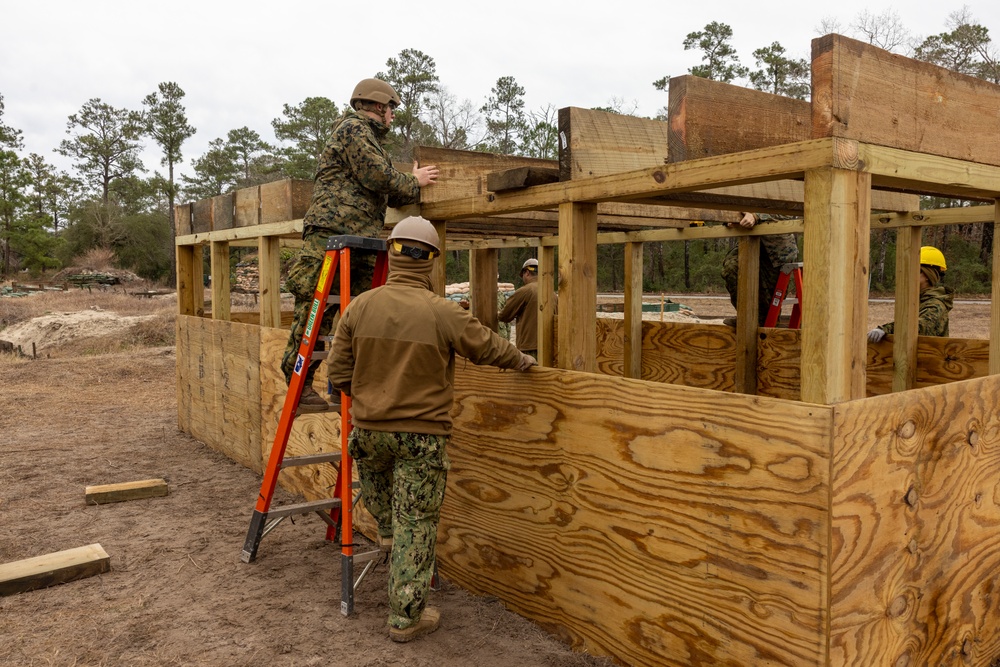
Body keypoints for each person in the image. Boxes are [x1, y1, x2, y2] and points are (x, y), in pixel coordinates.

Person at [327, 216, 536, 643]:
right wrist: (523, 362)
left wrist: (368, 397)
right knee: (416, 524)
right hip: (420, 438)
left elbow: (338, 373)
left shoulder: (359, 307)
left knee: (388, 514)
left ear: (392, 253)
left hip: (367, 432)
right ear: (431, 262)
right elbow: (488, 346)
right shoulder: (442, 312)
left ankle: (388, 538)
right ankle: (405, 618)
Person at [280, 78, 440, 412]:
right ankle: (298, 381)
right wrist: (414, 181)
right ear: (379, 106)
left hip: (361, 239)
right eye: (391, 109)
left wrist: (409, 182)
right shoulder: (353, 129)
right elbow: (377, 177)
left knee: (357, 313)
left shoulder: (372, 142)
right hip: (331, 235)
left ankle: (342, 383)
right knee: (316, 308)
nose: (393, 116)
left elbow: (390, 186)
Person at [720, 212, 799, 327]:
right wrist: (733, 219)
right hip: (749, 242)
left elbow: (787, 213)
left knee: (769, 305)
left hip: (776, 251)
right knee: (731, 268)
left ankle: (762, 330)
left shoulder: (782, 194)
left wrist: (756, 216)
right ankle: (746, 318)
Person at [868, 246, 954, 342]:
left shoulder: (935, 305)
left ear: (928, 275)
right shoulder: (918, 300)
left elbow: (918, 327)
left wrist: (886, 329)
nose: (910, 273)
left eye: (916, 270)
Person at [498, 257, 543, 358]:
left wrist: (497, 313)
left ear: (526, 272)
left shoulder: (525, 291)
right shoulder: (551, 293)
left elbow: (504, 315)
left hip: (528, 348)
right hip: (548, 346)